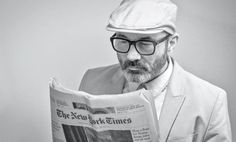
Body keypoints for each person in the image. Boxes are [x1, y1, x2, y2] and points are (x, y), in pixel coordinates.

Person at [79, 0, 232, 141]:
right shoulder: (91, 81)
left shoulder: (211, 101)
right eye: (123, 41)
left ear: (171, 43)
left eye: (145, 43)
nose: (132, 56)